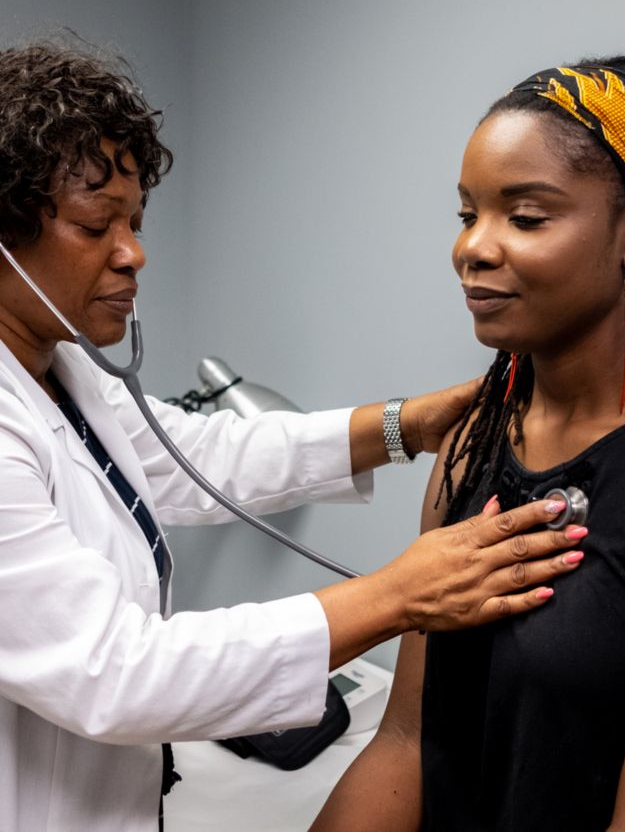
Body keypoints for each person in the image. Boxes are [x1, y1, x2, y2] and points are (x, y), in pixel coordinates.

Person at [0, 42, 584, 832]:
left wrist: (405, 425)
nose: (135, 254)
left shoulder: (64, 371)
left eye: (135, 222)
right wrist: (396, 594)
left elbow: (196, 455)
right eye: (95, 224)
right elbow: (117, 671)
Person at [311, 56, 625, 832]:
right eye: (468, 215)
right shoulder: (475, 440)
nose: (474, 249)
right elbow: (405, 741)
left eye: (525, 217)